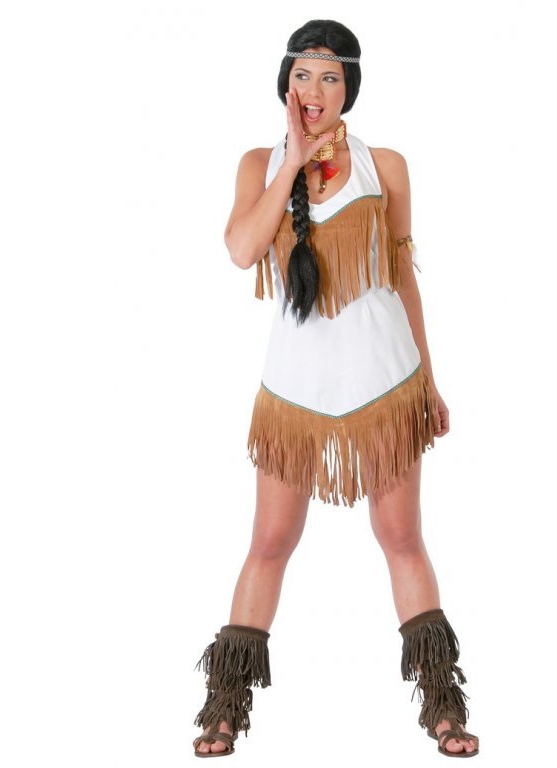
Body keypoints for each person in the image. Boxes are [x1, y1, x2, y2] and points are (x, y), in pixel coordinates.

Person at [191, 19, 479, 759]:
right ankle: (224, 706)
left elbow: (403, 276)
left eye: (330, 77)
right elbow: (241, 249)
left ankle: (442, 705)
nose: (314, 90)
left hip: (386, 382)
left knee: (402, 538)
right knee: (269, 541)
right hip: (295, 392)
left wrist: (430, 380)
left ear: (350, 88)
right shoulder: (259, 164)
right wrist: (291, 160)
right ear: (284, 82)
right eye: (303, 75)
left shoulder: (387, 166)